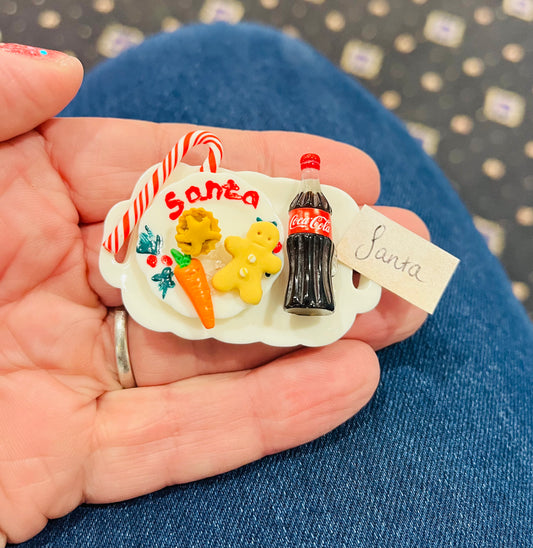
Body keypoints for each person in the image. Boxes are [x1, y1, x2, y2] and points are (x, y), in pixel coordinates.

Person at [0, 23, 531, 548]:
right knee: (246, 49)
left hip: (282, 276)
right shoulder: (203, 238)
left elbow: (266, 252)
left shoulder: (300, 213)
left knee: (233, 49)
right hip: (214, 276)